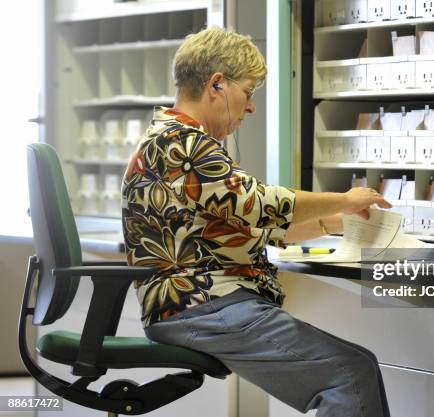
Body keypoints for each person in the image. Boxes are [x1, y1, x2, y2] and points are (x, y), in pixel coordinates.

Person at [121, 27, 392, 417]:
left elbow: (244, 223)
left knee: (356, 365)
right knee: (348, 374)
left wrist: (334, 222)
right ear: (217, 84)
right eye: (248, 93)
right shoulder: (184, 143)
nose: (251, 108)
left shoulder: (169, 139)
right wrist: (347, 198)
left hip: (198, 306)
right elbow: (258, 204)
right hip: (204, 305)